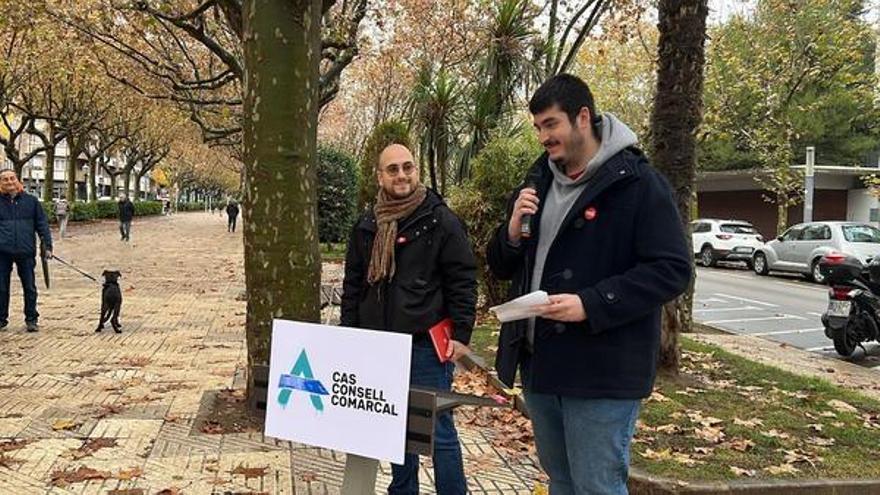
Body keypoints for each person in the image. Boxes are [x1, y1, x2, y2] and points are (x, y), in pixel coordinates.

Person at [487, 74, 691, 495]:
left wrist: (592, 303)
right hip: (540, 365)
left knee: (596, 486)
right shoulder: (536, 181)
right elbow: (502, 266)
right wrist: (510, 233)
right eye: (538, 127)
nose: (544, 137)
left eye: (551, 124)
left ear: (583, 117)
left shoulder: (638, 184)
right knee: (560, 482)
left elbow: (673, 269)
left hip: (601, 372)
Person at [341, 143, 477, 495]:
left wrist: (461, 334)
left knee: (438, 430)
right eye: (393, 169)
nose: (401, 175)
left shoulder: (440, 219)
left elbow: (463, 279)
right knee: (394, 428)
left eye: (408, 167)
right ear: (380, 176)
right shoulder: (367, 224)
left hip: (425, 348)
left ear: (417, 170)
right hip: (378, 347)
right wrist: (348, 336)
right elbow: (353, 284)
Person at [0, 169, 53, 333]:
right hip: (2, 252)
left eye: (12, 178)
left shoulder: (31, 201)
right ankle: (1, 319)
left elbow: (42, 224)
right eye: (5, 179)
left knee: (29, 287)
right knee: (1, 287)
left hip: (26, 250)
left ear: (17, 180)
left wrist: (48, 247)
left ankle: (31, 319)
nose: (9, 182)